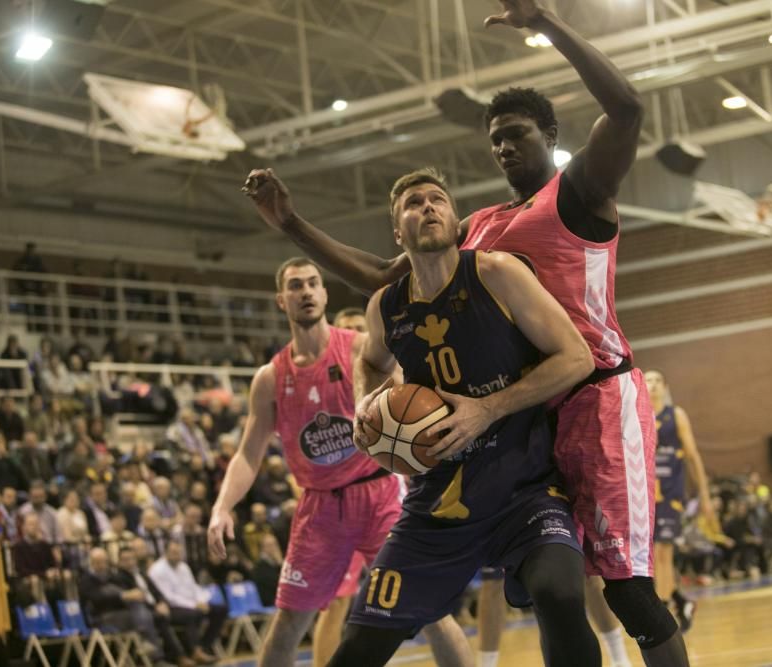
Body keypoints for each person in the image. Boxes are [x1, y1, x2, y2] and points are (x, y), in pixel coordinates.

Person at [241, 2, 687, 664]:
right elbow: (383, 278)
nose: (504, 145)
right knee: (566, 583)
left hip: (593, 390)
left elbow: (627, 110)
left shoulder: (579, 191)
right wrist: (293, 226)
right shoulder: (475, 226)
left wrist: (549, 25)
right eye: (495, 138)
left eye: (517, 132)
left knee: (627, 590)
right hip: (532, 410)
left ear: (551, 134)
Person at [322, 168, 596, 667]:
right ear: (397, 232)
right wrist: (365, 403)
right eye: (413, 203)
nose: (428, 207)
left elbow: (576, 358)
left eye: (437, 200)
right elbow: (367, 360)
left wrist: (487, 409)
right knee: (359, 646)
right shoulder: (387, 305)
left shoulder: (496, 273)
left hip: (525, 491)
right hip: (437, 507)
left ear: (454, 218)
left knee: (559, 594)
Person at [207, 258, 471, 667]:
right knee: (289, 623)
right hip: (320, 508)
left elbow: (404, 396)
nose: (307, 292)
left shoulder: (358, 348)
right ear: (282, 300)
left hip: (378, 492)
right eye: (296, 286)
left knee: (430, 608)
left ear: (325, 293)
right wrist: (222, 507)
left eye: (313, 283)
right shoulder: (269, 377)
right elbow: (248, 452)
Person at [645, 370, 717, 633]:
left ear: (665, 387)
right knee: (654, 556)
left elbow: (693, 457)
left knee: (664, 552)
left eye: (656, 381)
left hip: (671, 493)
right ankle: (681, 601)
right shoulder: (639, 414)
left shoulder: (676, 415)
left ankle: (662, 615)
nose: (651, 385)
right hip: (646, 495)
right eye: (647, 381)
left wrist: (705, 496)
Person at [147, 541, 225, 662]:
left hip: (191, 604)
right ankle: (195, 651)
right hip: (171, 607)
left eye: (178, 553)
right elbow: (168, 597)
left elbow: (194, 587)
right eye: (173, 552)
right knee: (192, 614)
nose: (176, 555)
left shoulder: (184, 567)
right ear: (165, 552)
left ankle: (204, 646)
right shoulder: (157, 570)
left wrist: (202, 601)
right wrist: (194, 605)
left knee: (220, 609)